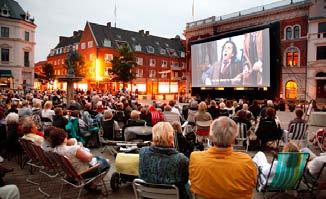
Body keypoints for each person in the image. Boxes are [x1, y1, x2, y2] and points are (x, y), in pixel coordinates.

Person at [189, 117, 257, 198]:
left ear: (211, 136)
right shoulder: (246, 161)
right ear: (234, 138)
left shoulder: (195, 158)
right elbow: (252, 184)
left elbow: (193, 181)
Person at [139, 122, 190, 199]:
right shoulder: (181, 159)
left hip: (148, 196)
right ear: (171, 137)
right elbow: (184, 181)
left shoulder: (143, 152)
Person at [50, 128, 110, 192]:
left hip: (72, 172)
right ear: (63, 138)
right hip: (83, 173)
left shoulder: (55, 150)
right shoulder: (72, 149)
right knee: (107, 162)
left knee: (97, 158)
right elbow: (89, 158)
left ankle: (90, 183)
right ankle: (92, 185)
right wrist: (82, 149)